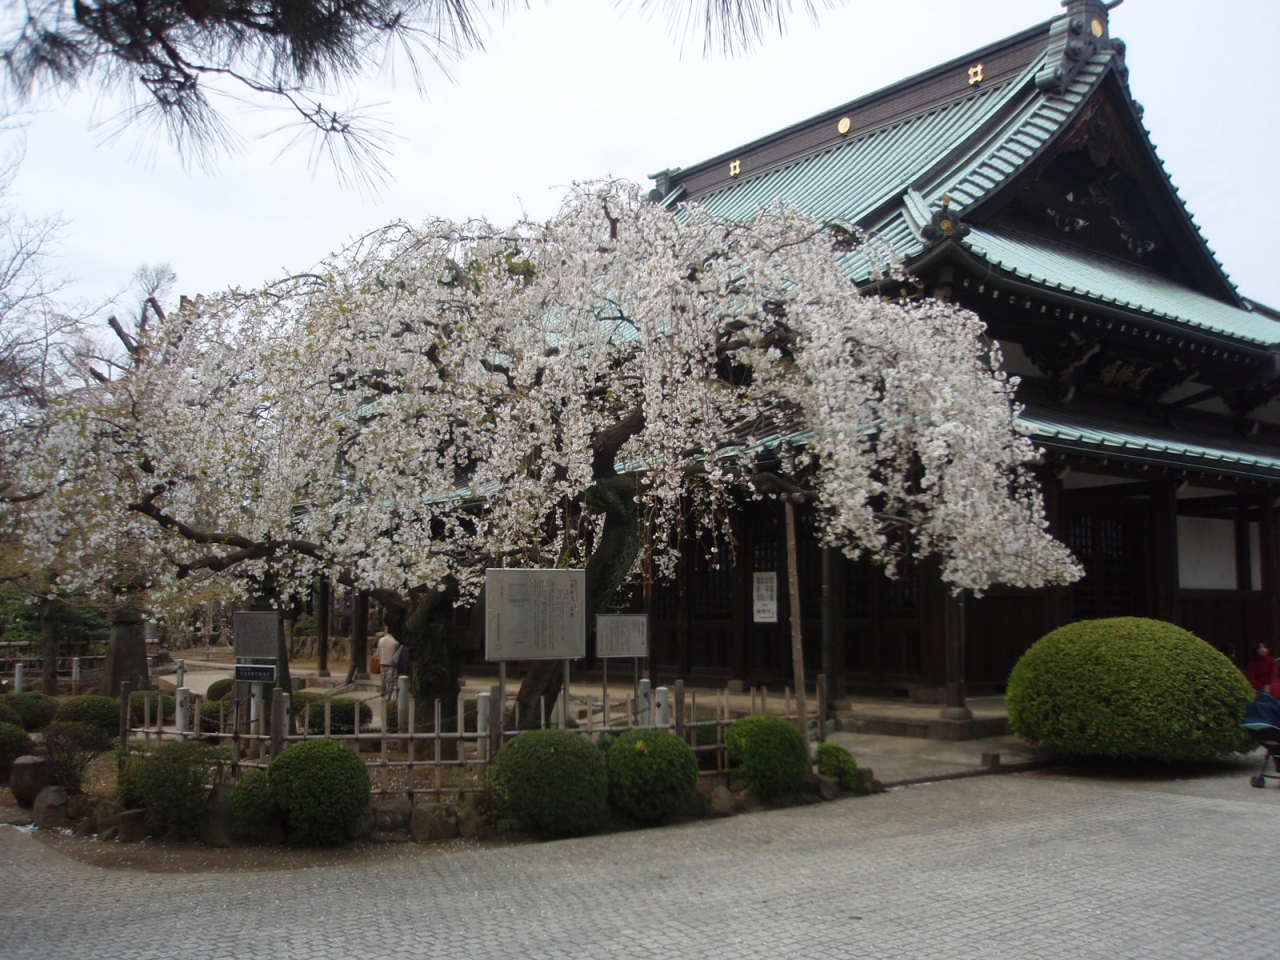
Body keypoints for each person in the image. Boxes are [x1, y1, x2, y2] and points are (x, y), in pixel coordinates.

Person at [376, 628, 400, 701]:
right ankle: (392, 699)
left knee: (384, 682)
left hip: (383, 663)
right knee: (392, 683)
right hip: (392, 664)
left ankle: (385, 697)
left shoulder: (381, 640)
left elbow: (378, 653)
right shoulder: (395, 641)